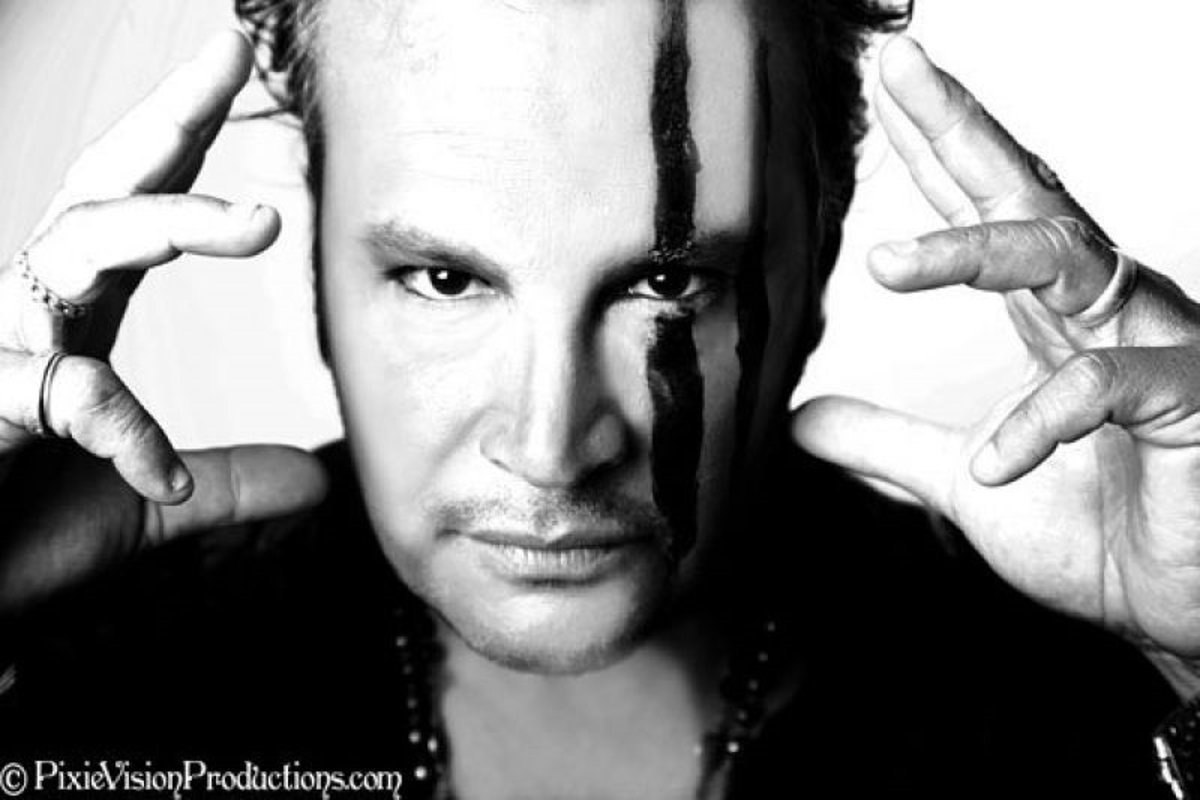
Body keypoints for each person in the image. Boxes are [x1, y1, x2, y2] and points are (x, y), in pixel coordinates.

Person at [1, 0, 1198, 798]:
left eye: (667, 281)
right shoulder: (107, 683)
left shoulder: (1056, 705)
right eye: (446, 277)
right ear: (317, 260)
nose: (550, 446)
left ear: (819, 247)